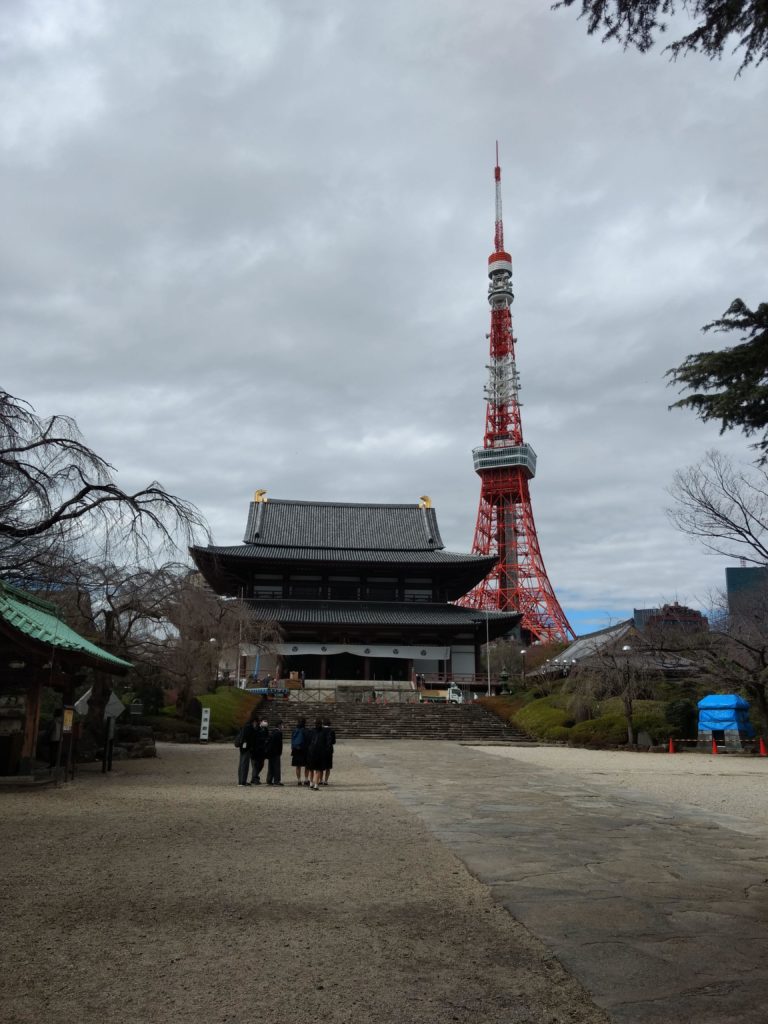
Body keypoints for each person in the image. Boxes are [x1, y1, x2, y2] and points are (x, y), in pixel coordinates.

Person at [236, 709, 259, 786]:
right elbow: (250, 739)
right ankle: (243, 781)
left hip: (242, 747)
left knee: (241, 764)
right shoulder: (250, 728)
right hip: (246, 747)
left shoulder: (245, 726)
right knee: (245, 764)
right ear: (254, 721)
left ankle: (241, 780)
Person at [306, 717, 329, 790]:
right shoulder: (324, 732)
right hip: (320, 752)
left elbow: (308, 741)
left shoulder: (311, 731)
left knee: (311, 769)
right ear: (321, 724)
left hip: (311, 751)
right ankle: (316, 784)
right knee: (318, 769)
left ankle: (311, 783)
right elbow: (327, 743)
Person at [291, 716, 309, 786]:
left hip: (296, 749)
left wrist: (292, 748)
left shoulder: (294, 730)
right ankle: (306, 779)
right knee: (306, 765)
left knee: (298, 766)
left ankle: (299, 780)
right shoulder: (306, 730)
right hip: (304, 749)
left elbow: (292, 739)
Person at [251, 718, 269, 784]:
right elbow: (255, 739)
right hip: (256, 750)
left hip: (262, 750)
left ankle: (254, 777)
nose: (266, 723)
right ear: (260, 722)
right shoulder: (257, 729)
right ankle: (255, 778)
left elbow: (267, 737)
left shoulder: (266, 729)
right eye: (264, 721)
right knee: (256, 764)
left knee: (261, 764)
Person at [266, 719, 284, 785]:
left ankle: (269, 780)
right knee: (276, 767)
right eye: (282, 725)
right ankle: (277, 780)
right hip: (276, 752)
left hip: (270, 751)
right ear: (279, 725)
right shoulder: (279, 733)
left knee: (270, 767)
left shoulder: (272, 732)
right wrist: (280, 752)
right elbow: (279, 744)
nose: (282, 726)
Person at [321, 717, 336, 786]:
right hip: (329, 749)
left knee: (320, 766)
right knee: (328, 766)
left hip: (321, 749)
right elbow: (333, 742)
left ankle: (320, 779)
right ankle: (326, 781)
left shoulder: (321, 730)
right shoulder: (332, 731)